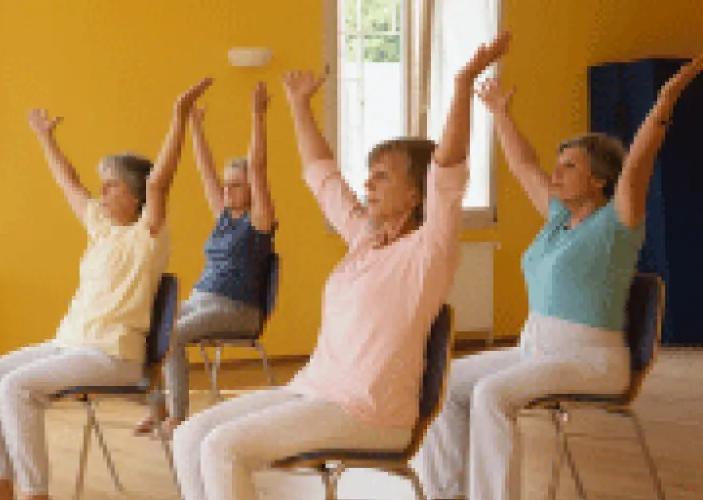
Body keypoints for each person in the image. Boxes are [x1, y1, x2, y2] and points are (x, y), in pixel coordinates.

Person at [170, 33, 510, 500]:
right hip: (315, 389)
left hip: (370, 413)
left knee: (224, 449)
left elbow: (448, 167)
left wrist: (463, 83)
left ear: (417, 195)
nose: (367, 183)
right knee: (190, 436)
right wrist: (298, 106)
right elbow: (322, 175)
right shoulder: (364, 241)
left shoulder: (427, 254)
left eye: (382, 176)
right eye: (368, 173)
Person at [414, 50, 703, 500]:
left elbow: (638, 166)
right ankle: (443, 493)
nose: (556, 172)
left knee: (491, 396)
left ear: (600, 180)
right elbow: (523, 165)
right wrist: (500, 114)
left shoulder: (616, 224)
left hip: (592, 362)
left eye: (570, 165)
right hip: (536, 349)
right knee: (447, 383)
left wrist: (664, 102)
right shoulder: (555, 220)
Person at [0, 78, 213, 500]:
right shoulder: (100, 227)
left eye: (113, 185)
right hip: (71, 343)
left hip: (113, 355)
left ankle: (35, 491)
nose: (102, 192)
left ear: (136, 196)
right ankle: (0, 479)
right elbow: (70, 183)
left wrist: (178, 115)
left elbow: (160, 182)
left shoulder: (147, 235)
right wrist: (45, 138)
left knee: (15, 388)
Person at [136, 82, 278, 439]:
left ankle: (179, 419)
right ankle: (157, 410)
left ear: (252, 190)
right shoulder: (224, 215)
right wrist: (195, 126)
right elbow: (205, 172)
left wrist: (258, 116)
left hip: (239, 309)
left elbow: (259, 167)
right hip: (202, 300)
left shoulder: (259, 221)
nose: (228, 191)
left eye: (237, 186)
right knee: (144, 325)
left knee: (173, 335)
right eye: (227, 185)